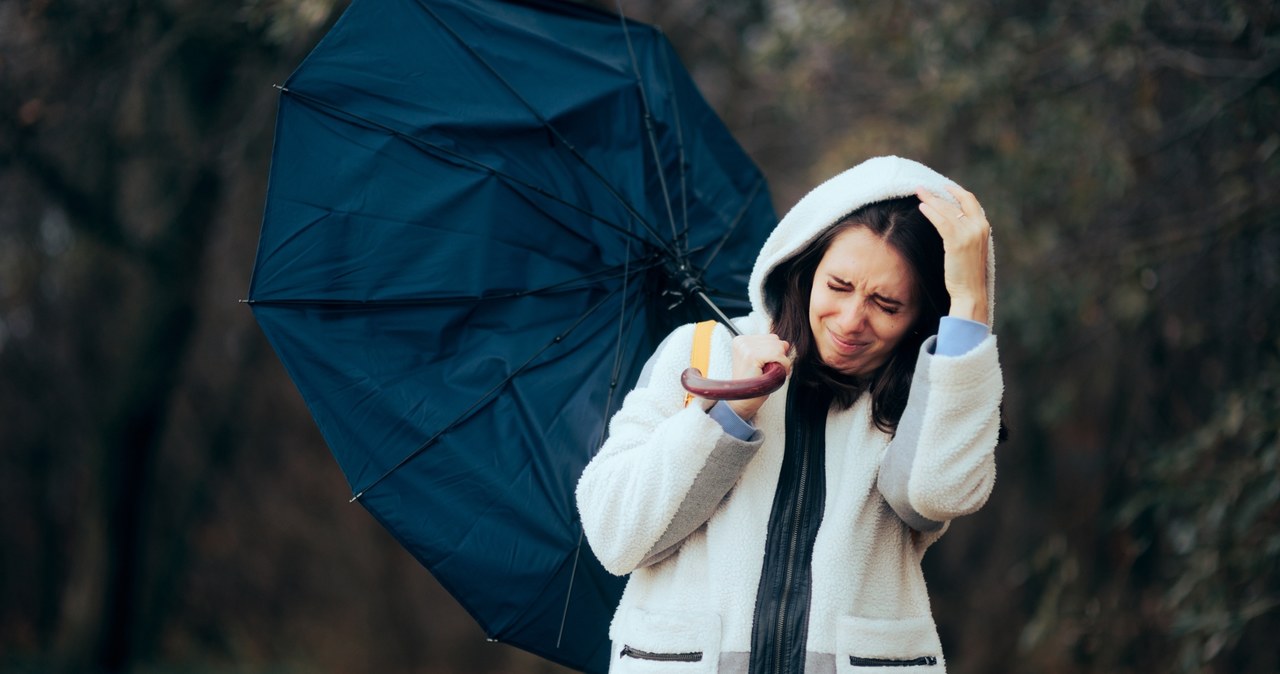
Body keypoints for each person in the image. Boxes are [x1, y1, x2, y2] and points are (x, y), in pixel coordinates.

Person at [576, 155, 1003, 673]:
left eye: (886, 305)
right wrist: (729, 412)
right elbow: (614, 534)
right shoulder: (700, 353)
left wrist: (971, 304)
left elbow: (939, 492)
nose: (850, 322)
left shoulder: (932, 388)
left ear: (921, 313)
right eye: (838, 287)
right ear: (805, 268)